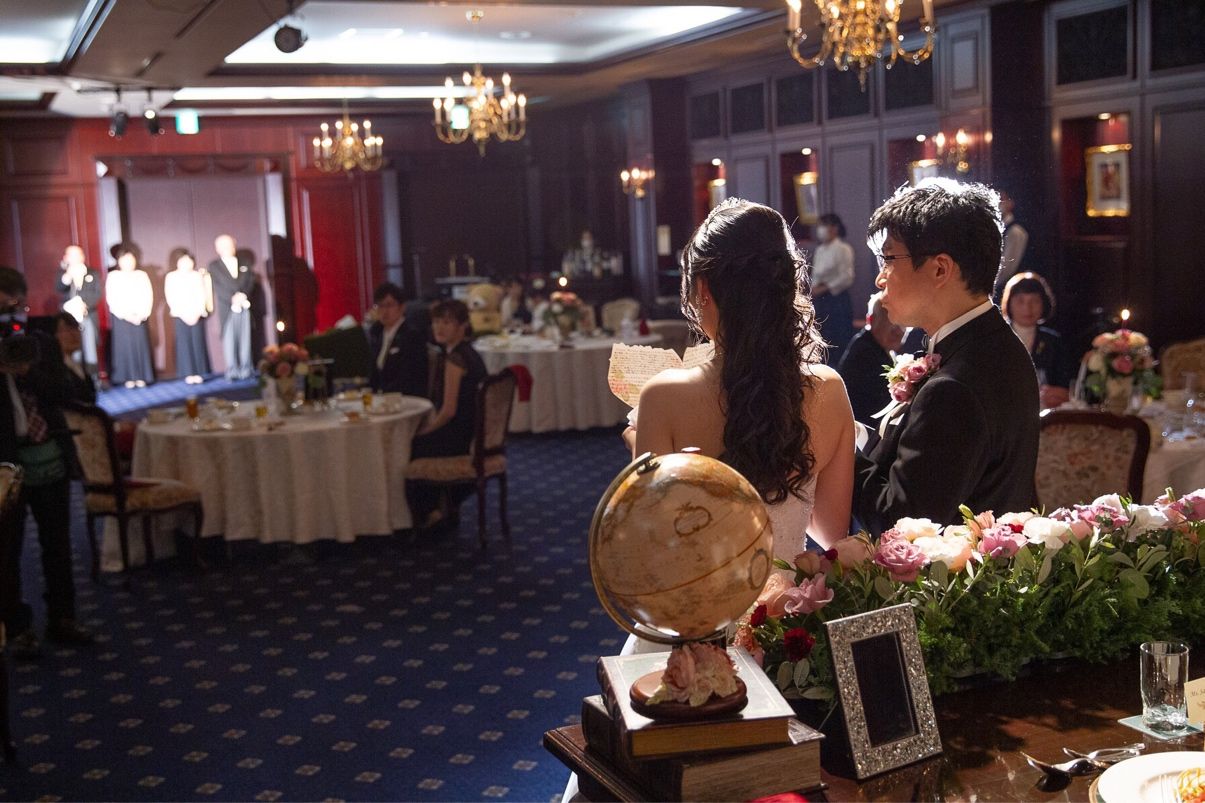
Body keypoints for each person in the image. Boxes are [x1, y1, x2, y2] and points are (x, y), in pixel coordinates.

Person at [627, 198, 855, 564]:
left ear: (702, 288)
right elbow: (831, 533)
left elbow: (654, 544)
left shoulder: (663, 397)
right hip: (790, 600)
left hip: (701, 599)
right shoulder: (828, 389)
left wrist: (640, 452)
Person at [854, 179, 1040, 537]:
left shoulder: (955, 386)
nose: (880, 278)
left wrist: (841, 450)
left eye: (889, 259)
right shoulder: (994, 344)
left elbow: (901, 523)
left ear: (940, 268)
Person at [0, 267, 93, 658]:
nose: (10, 320)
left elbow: (64, 393)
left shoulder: (41, 344)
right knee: (7, 552)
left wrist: (28, 372)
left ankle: (63, 617)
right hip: (6, 467)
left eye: (15, 309)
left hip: (49, 456)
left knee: (57, 542)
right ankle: (17, 627)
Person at [407, 299, 487, 528]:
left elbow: (449, 411)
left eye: (447, 322)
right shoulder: (470, 353)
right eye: (436, 322)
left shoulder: (455, 359)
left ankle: (431, 513)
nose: (439, 328)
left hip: (460, 437)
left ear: (462, 326)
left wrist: (425, 430)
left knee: (412, 445)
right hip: (473, 432)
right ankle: (443, 507)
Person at [1001, 272, 1074, 409]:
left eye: (1034, 301)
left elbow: (1065, 386)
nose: (1027, 308)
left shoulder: (1053, 342)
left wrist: (1058, 394)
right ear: (1009, 303)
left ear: (1044, 303)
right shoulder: (998, 339)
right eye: (1020, 301)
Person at [837, 292, 904, 428]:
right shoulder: (864, 353)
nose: (898, 331)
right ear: (870, 320)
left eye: (903, 324)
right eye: (889, 321)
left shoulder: (879, 347)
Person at [207, 234, 257, 381]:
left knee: (246, 338)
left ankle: (246, 369)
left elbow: (250, 281)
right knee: (229, 339)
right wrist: (232, 298)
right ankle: (232, 370)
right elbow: (217, 286)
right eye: (223, 246)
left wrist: (243, 295)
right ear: (217, 249)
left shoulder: (245, 262)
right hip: (227, 308)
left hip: (244, 305)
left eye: (230, 245)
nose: (228, 248)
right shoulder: (214, 266)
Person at [809, 213, 857, 365]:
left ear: (834, 228)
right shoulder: (820, 250)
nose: (821, 230)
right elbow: (816, 275)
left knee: (838, 337)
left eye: (824, 225)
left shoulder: (843, 248)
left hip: (837, 300)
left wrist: (824, 288)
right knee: (822, 336)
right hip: (820, 301)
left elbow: (846, 277)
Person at [105, 243, 154, 388]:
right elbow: (112, 298)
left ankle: (142, 376)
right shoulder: (113, 276)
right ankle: (128, 377)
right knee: (125, 347)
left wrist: (142, 314)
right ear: (119, 261)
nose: (128, 262)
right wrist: (126, 314)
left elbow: (148, 296)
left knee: (140, 345)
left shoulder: (141, 275)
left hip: (140, 316)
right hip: (122, 317)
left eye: (131, 259)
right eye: (125, 259)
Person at [368, 283, 429, 397]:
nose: (384, 311)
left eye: (389, 305)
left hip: (406, 398)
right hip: (383, 399)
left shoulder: (411, 335)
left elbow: (411, 377)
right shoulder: (378, 333)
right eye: (380, 305)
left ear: (402, 307)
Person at [164, 247, 212, 384]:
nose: (187, 264)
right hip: (180, 315)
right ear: (177, 262)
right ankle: (188, 373)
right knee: (184, 344)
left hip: (197, 314)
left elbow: (202, 295)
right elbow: (171, 297)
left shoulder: (197, 275)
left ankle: (199, 372)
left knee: (197, 343)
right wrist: (183, 313)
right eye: (183, 261)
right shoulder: (172, 276)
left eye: (189, 261)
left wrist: (197, 312)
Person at [57, 244, 101, 378]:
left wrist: (84, 305)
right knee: (73, 348)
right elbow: (59, 289)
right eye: (71, 255)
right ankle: (77, 378)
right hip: (69, 319)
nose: (75, 258)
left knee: (90, 348)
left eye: (77, 255)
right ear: (65, 257)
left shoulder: (92, 273)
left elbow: (97, 293)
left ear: (83, 256)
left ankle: (93, 379)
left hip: (87, 315)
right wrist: (67, 275)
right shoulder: (62, 274)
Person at [52, 312, 96, 404]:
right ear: (54, 335)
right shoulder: (56, 370)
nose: (74, 334)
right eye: (67, 330)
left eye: (76, 328)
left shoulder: (75, 364)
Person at [993, 190, 1029, 298]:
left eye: (1001, 199)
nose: (997, 203)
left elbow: (1006, 269)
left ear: (1010, 203)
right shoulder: (997, 230)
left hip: (1012, 295)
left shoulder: (1015, 231)